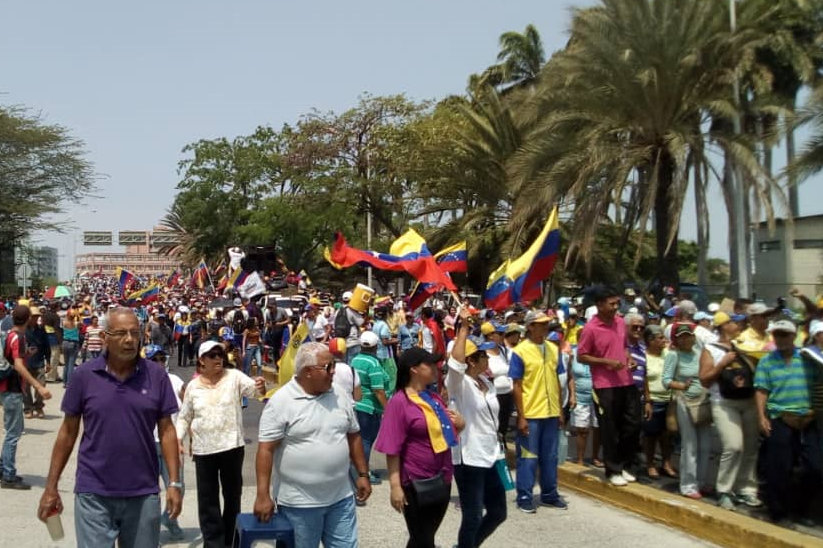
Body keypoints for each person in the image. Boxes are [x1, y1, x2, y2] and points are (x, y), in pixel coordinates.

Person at [37, 308, 182, 547]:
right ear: (104, 338)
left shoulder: (156, 376)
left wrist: (174, 483)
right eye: (121, 333)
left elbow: (167, 431)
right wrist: (51, 487)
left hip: (143, 493)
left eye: (135, 333)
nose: (129, 339)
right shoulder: (84, 376)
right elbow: (67, 433)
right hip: (93, 492)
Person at [254, 342, 372, 548]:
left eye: (333, 364)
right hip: (299, 505)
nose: (334, 371)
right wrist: (262, 495)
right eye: (328, 367)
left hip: (341, 498)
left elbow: (353, 435)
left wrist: (362, 474)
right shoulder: (281, 402)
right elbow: (266, 449)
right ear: (308, 371)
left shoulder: (339, 394)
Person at [175, 340, 266, 548]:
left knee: (233, 496)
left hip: (232, 447)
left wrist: (260, 386)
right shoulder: (193, 387)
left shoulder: (233, 377)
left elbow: (253, 391)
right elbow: (184, 417)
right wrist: (178, 439)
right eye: (213, 355)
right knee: (208, 502)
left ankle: (231, 541)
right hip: (203, 450)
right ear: (201, 360)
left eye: (220, 355)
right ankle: (213, 543)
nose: (218, 359)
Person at [374, 347, 464, 548]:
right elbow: (392, 448)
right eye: (429, 364)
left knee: (425, 536)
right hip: (415, 481)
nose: (435, 368)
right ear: (413, 369)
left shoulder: (433, 398)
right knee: (422, 538)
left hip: (443, 476)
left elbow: (444, 433)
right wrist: (395, 487)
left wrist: (461, 425)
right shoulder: (399, 402)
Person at [448, 310, 507, 548]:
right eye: (483, 355)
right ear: (471, 360)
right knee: (472, 517)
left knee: (498, 512)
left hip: (491, 455)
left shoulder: (487, 382)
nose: (488, 359)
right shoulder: (459, 384)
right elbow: (455, 364)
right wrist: (463, 328)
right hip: (469, 458)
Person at [754, 319, 821, 525]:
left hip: (808, 418)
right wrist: (761, 417)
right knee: (779, 468)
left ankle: (802, 509)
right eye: (777, 335)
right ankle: (779, 512)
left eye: (785, 334)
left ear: (794, 336)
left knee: (815, 467)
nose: (781, 339)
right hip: (780, 417)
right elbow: (761, 389)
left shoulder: (808, 358)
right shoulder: (767, 361)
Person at [577, 286, 640, 487]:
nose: (615, 307)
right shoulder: (590, 328)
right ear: (599, 305)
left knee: (632, 425)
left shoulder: (621, 323)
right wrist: (606, 362)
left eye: (617, 303)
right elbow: (582, 355)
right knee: (610, 428)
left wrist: (629, 359)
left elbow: (623, 347)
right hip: (604, 385)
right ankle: (612, 469)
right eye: (611, 304)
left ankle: (625, 464)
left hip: (626, 380)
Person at [698, 311, 761, 510]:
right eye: (735, 322)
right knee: (733, 446)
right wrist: (722, 364)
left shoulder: (743, 346)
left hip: (748, 401)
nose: (739, 325)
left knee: (750, 448)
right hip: (724, 403)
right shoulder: (711, 349)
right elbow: (705, 380)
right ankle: (724, 490)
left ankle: (746, 489)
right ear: (724, 325)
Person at [509, 310, 567, 513]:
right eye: (540, 324)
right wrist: (521, 416)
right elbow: (516, 385)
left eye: (546, 324)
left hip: (550, 412)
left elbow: (557, 381)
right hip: (532, 413)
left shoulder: (553, 348)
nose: (544, 327)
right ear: (530, 326)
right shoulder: (520, 351)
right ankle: (524, 496)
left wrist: (560, 410)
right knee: (528, 456)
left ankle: (550, 494)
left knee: (550, 456)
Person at [1, 305, 52, 489]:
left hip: (6, 387)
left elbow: (11, 357)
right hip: (13, 389)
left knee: (13, 430)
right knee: (13, 434)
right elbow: (19, 366)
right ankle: (8, 474)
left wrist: (25, 354)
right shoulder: (19, 337)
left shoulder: (8, 334)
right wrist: (38, 386)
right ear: (28, 318)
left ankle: (4, 468)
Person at [662, 323, 711, 499]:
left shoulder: (700, 353)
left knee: (705, 445)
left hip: (703, 402)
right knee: (690, 445)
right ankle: (688, 485)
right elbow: (666, 380)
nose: (685, 338)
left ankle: (701, 482)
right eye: (681, 336)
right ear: (676, 339)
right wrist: (682, 385)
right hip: (685, 401)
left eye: (688, 335)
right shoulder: (673, 356)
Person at [144, 344, 186, 540]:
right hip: (147, 445)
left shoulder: (174, 380)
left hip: (171, 443)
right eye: (154, 359)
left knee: (177, 486)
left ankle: (169, 518)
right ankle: (149, 535)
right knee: (149, 495)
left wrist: (185, 436)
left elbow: (188, 406)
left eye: (161, 358)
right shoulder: (139, 381)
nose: (159, 362)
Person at [351, 331, 388, 486]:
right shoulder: (373, 364)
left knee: (360, 439)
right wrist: (387, 409)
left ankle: (359, 469)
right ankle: (363, 472)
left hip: (357, 404)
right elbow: (378, 390)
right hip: (370, 407)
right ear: (375, 346)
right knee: (366, 440)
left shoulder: (354, 360)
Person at [640, 325, 675, 479]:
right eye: (660, 338)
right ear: (650, 340)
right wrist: (647, 400)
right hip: (653, 400)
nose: (664, 340)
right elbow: (644, 379)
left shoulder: (669, 354)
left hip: (670, 400)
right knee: (651, 435)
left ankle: (666, 463)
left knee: (668, 435)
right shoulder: (644, 356)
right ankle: (650, 464)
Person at [571, 351, 602, 467]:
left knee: (597, 428)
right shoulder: (573, 354)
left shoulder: (598, 353)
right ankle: (580, 459)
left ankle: (595, 457)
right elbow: (571, 377)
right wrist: (572, 395)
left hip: (598, 397)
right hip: (580, 398)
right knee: (582, 430)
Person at [483, 322, 514, 440]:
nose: (503, 336)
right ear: (490, 336)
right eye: (500, 333)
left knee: (503, 427)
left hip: (507, 395)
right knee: (492, 427)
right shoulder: (482, 354)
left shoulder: (504, 350)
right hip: (493, 397)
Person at [24, 306, 51, 419]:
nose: (35, 319)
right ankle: (28, 408)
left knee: (41, 385)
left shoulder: (41, 330)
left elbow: (46, 346)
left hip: (39, 362)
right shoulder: (23, 330)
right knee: (25, 388)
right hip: (26, 363)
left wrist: (48, 361)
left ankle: (38, 406)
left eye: (36, 317)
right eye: (33, 317)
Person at [61, 308, 81, 387]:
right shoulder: (76, 323)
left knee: (66, 364)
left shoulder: (64, 322)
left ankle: (65, 382)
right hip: (73, 343)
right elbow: (82, 323)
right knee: (71, 364)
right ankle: (69, 383)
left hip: (65, 342)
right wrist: (78, 314)